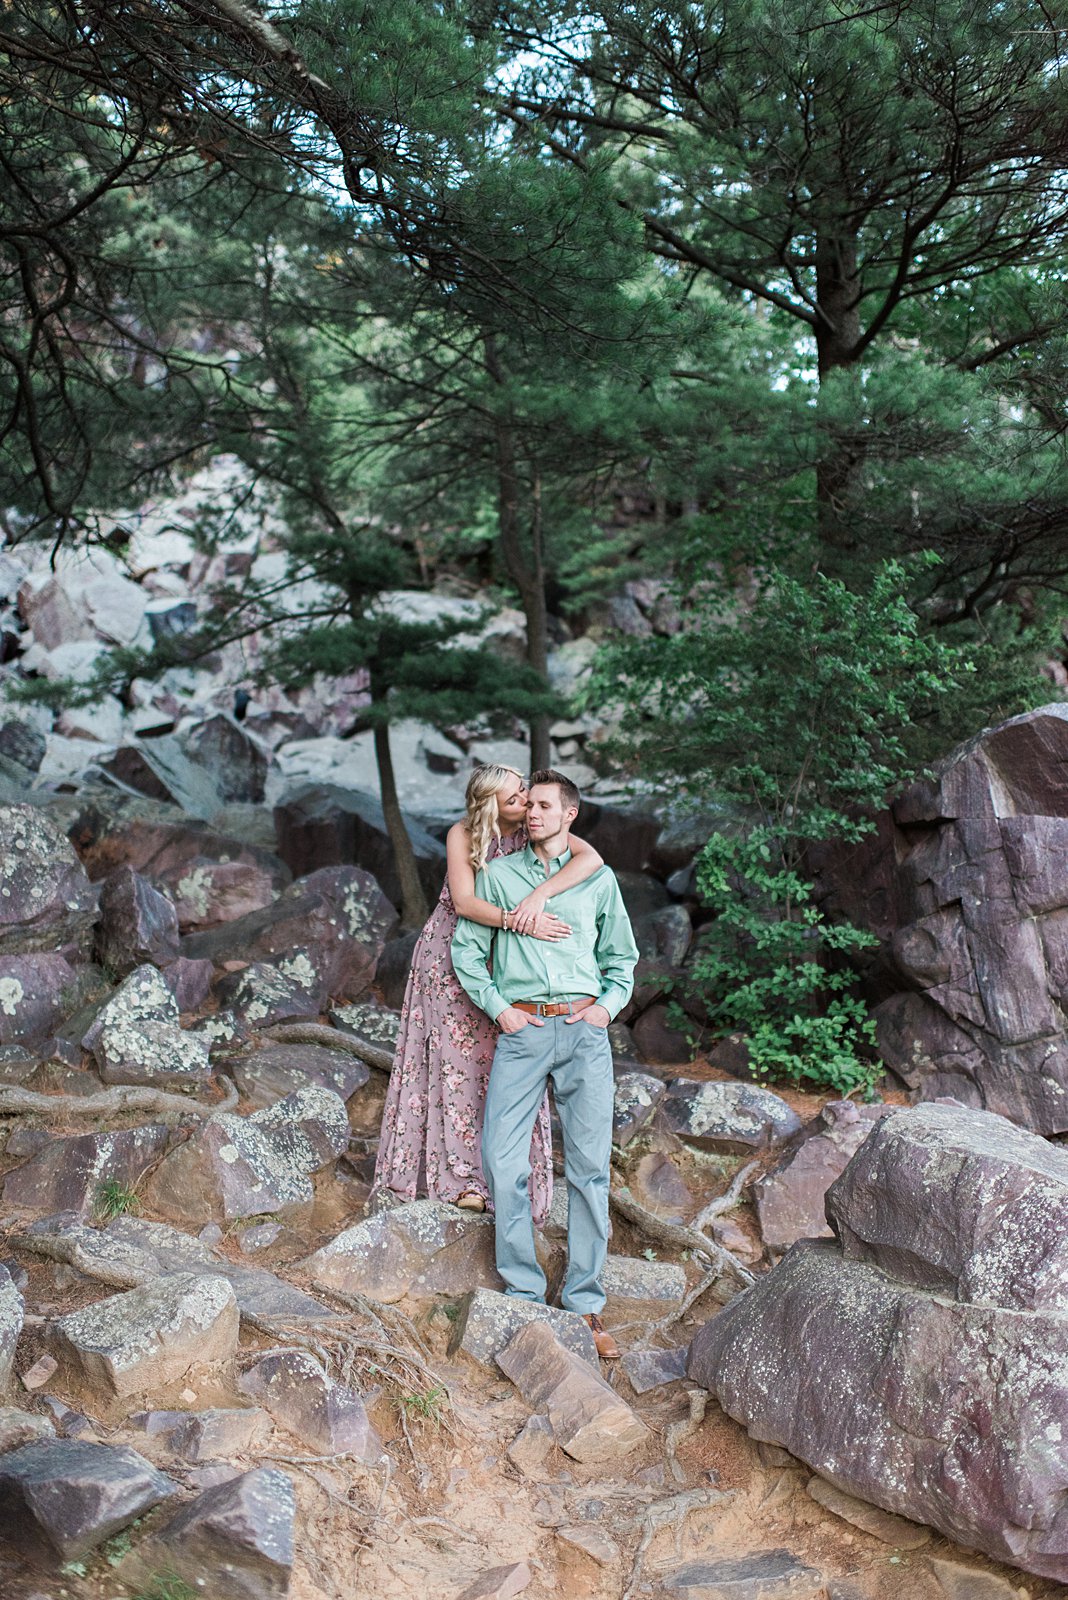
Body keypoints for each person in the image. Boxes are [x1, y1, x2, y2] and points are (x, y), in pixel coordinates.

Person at [452, 768, 638, 1359]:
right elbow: (467, 951)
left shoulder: (597, 881)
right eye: (526, 805)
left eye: (543, 806)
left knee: (588, 1171)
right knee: (502, 1160)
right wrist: (501, 1010)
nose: (531, 813)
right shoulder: (499, 877)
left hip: (584, 1032)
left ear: (569, 815)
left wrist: (605, 1011)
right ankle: (525, 1295)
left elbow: (622, 957)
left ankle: (585, 1306)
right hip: (524, 1030)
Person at [372, 764, 604, 1220]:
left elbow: (591, 859)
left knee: (505, 1064)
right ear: (491, 805)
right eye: (517, 796)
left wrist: (538, 898)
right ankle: (462, 1182)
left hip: (510, 959)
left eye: (529, 794)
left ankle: (511, 1179)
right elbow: (464, 903)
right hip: (453, 958)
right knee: (455, 1066)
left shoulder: (536, 832)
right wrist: (521, 920)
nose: (527, 802)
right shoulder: (463, 834)